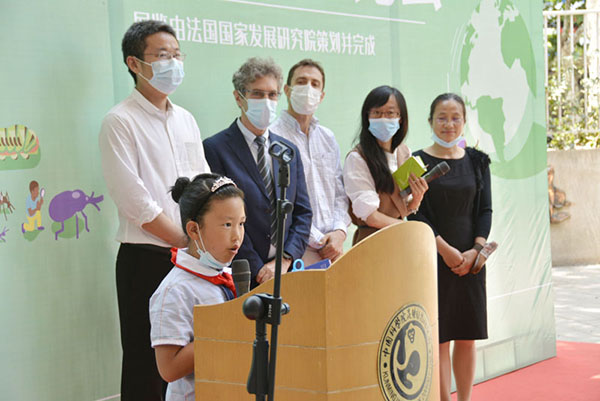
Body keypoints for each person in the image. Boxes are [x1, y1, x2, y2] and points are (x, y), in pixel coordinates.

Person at [98, 20, 210, 400]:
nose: (173, 64)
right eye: (162, 56)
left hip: (192, 259)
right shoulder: (120, 121)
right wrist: (187, 243)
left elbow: (203, 184)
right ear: (134, 63)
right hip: (147, 259)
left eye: (177, 55)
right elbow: (136, 202)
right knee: (146, 367)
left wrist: (202, 243)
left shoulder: (186, 119)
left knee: (194, 362)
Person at [407, 93, 493, 401]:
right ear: (430, 121)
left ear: (464, 121)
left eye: (456, 117)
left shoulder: (478, 161)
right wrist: (444, 250)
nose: (449, 124)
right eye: (442, 117)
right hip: (432, 261)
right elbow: (414, 213)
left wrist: (475, 251)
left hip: (471, 264)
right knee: (440, 338)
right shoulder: (415, 162)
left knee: (467, 337)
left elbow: (485, 210)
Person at [203, 57, 312, 288]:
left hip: (286, 272)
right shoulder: (216, 149)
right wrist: (258, 268)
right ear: (238, 97)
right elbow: (221, 218)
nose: (266, 101)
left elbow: (303, 212)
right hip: (241, 273)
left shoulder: (288, 150)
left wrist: (284, 260)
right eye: (257, 94)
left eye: (272, 95)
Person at [150, 173, 244, 401]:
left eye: (241, 224)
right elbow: (169, 369)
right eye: (227, 225)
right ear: (194, 230)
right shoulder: (175, 290)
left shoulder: (227, 275)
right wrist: (226, 329)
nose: (237, 236)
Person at [270, 59, 349, 265]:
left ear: (321, 96)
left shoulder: (327, 137)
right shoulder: (273, 137)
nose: (308, 89)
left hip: (334, 249)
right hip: (294, 249)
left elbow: (339, 193)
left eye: (315, 84)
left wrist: (339, 232)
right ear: (287, 90)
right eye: (301, 82)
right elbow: (278, 200)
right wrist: (320, 240)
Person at [343, 85, 428, 244]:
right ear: (367, 116)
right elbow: (371, 217)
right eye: (377, 113)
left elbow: (400, 209)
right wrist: (408, 228)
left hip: (399, 240)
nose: (383, 118)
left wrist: (417, 198)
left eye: (390, 113)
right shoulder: (357, 158)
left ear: (400, 118)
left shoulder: (403, 152)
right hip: (372, 242)